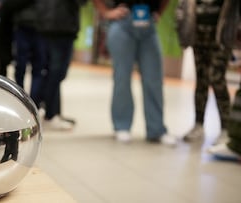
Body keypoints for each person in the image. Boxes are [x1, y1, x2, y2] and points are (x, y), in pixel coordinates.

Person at [92, 0, 176, 146]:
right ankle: (122, 125)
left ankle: (156, 129)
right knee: (122, 78)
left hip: (148, 25)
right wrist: (105, 12)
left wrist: (159, 13)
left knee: (154, 80)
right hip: (122, 22)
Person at [181, 0, 231, 144]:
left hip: (220, 37)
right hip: (198, 35)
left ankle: (226, 128)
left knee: (216, 78)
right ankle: (198, 124)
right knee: (201, 79)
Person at [35, 0, 87, 130]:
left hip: (50, 25)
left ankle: (50, 111)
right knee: (57, 72)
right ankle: (50, 114)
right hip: (60, 26)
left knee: (53, 72)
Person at [13, 4, 46, 108]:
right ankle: (26, 102)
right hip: (30, 27)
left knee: (27, 68)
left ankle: (26, 102)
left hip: (33, 27)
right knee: (27, 69)